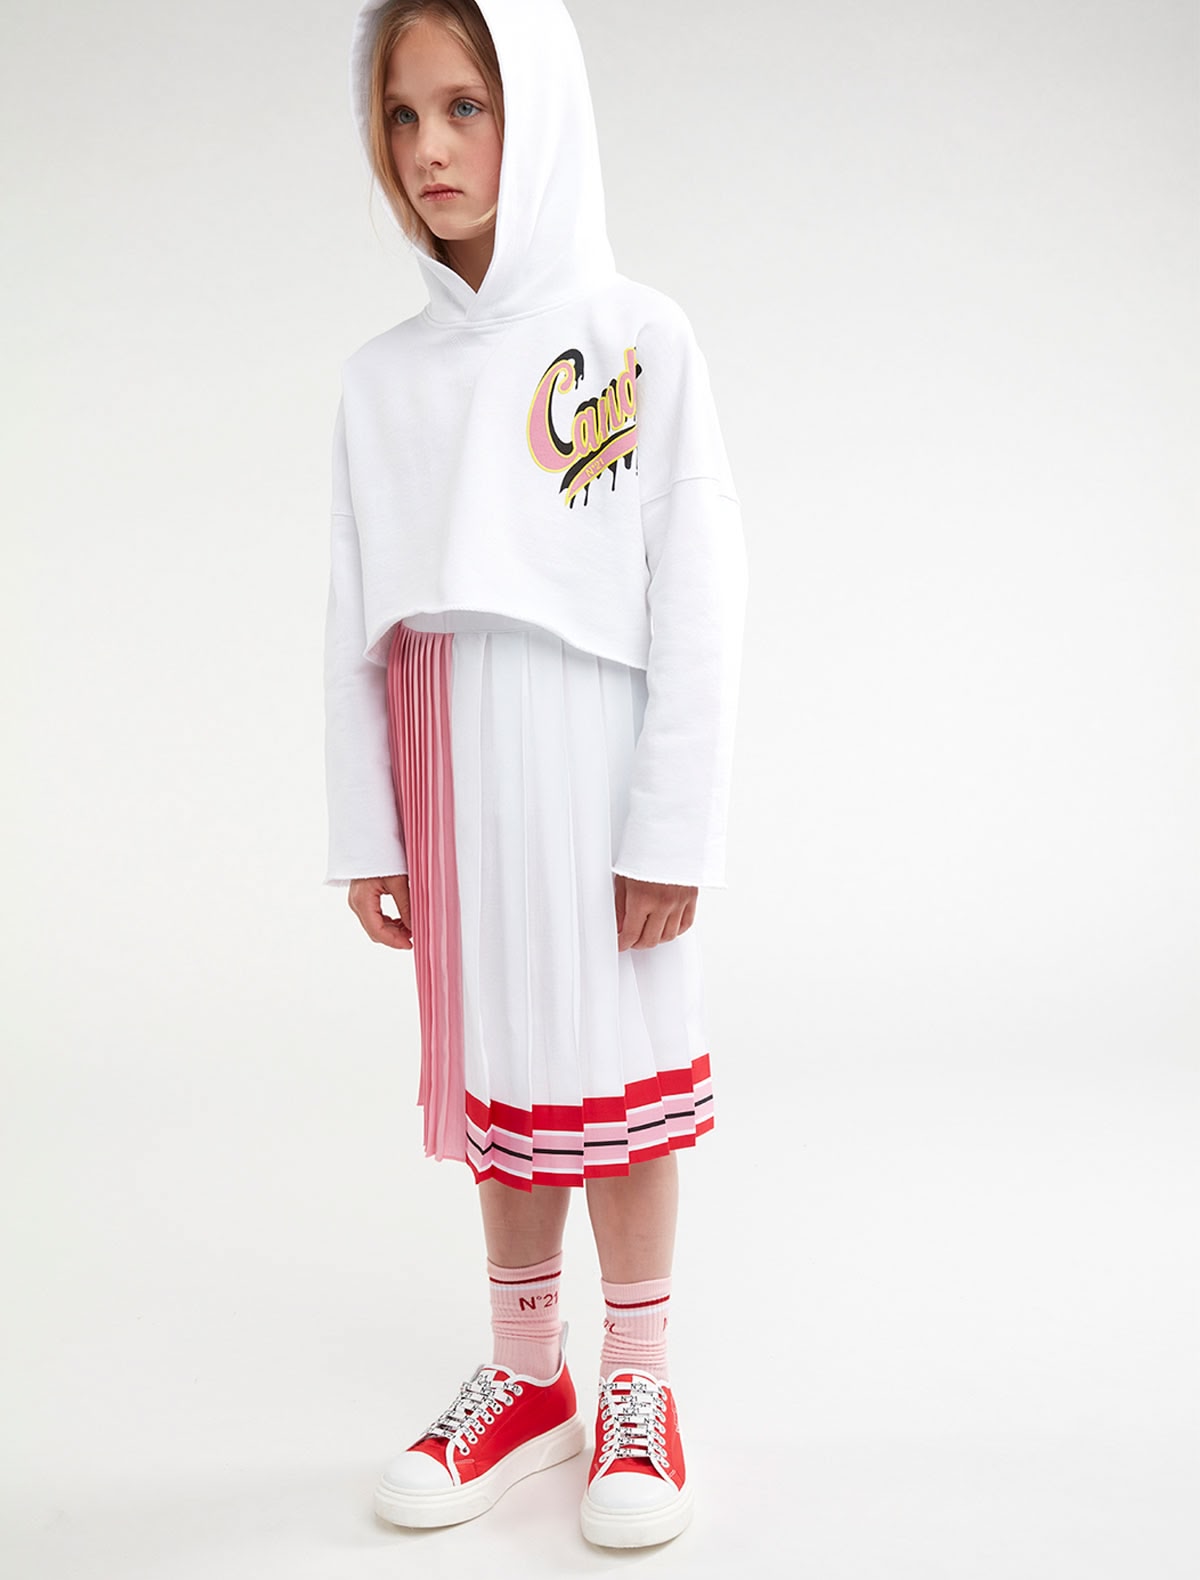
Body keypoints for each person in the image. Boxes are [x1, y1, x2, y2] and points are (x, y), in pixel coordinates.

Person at [323, 0, 747, 1549]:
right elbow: (355, 620)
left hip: (599, 762)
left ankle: (637, 1381)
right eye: (401, 115)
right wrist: (370, 824)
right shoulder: (381, 381)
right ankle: (528, 1375)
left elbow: (698, 589)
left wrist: (671, 825)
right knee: (508, 1075)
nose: (429, 149)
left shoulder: (636, 339)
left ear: (541, 109)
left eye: (467, 107)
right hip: (455, 763)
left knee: (619, 1083)